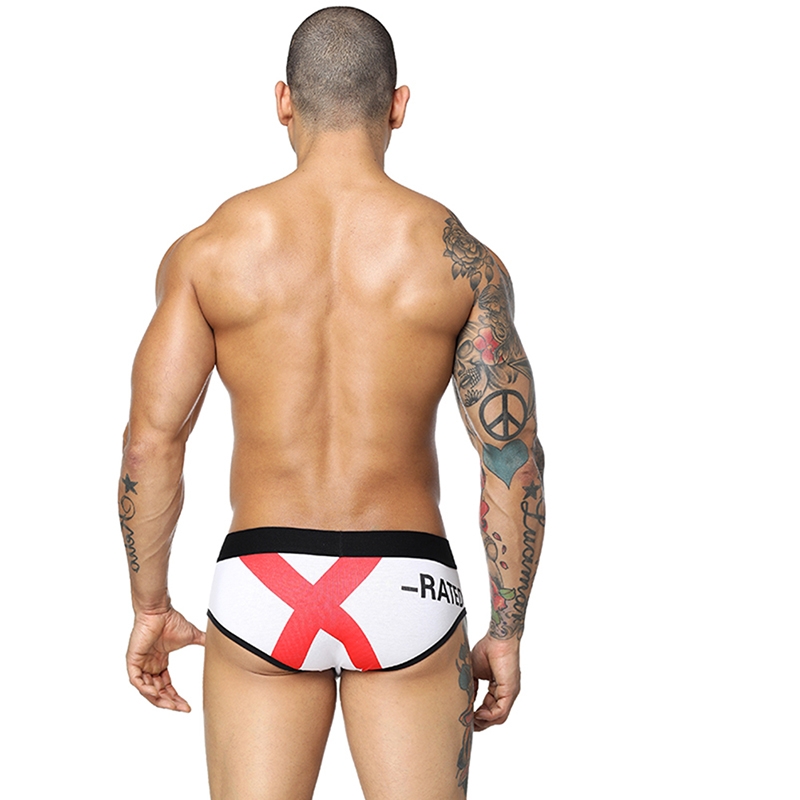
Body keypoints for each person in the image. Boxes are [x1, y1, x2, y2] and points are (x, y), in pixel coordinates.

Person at [118, 7, 545, 799]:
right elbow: (510, 456)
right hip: (408, 582)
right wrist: (508, 630)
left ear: (283, 100)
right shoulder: (459, 258)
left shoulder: (209, 252)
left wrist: (150, 607)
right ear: (397, 106)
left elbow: (151, 446)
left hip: (264, 578)